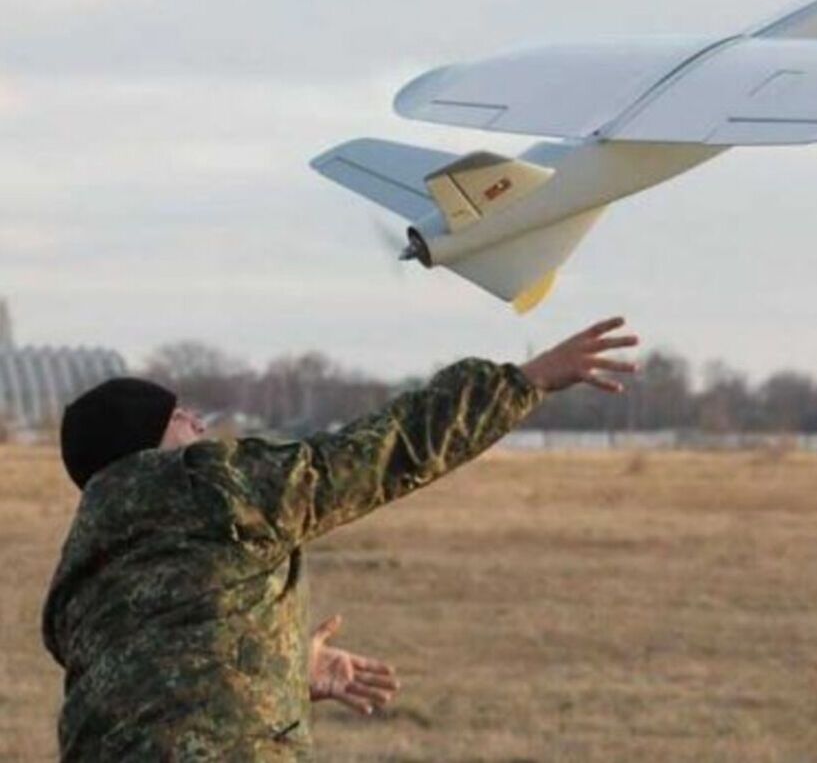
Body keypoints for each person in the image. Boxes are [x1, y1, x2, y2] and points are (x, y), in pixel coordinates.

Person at [44, 317, 638, 760]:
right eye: (179, 417)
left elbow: (152, 676)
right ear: (144, 442)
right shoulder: (213, 487)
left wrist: (275, 665)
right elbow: (383, 452)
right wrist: (524, 382)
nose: (199, 424)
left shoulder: (85, 565)